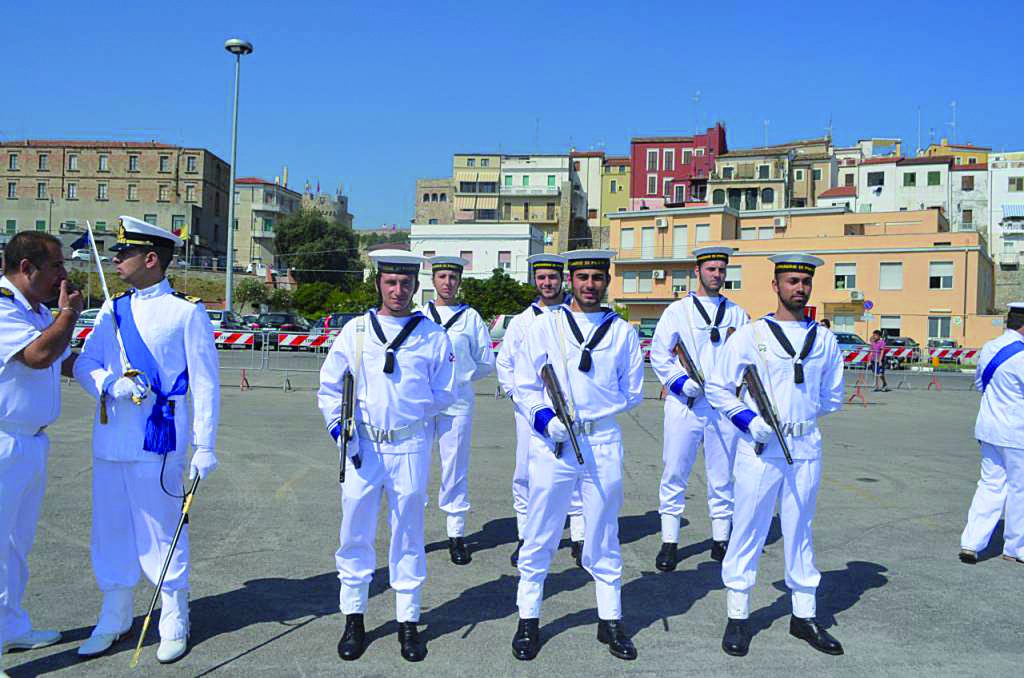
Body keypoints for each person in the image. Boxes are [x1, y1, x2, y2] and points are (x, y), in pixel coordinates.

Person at [73, 217, 220, 664]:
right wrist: (109, 383)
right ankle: (115, 613)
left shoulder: (185, 311)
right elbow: (84, 363)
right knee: (111, 530)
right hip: (111, 438)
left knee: (161, 531)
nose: (116, 259)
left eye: (125, 252)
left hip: (158, 440)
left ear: (151, 258)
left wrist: (205, 444)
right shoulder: (111, 309)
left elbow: (205, 383)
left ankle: (174, 614)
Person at [318, 252, 456, 663]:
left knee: (408, 534)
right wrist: (340, 430)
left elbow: (445, 392)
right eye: (391, 282)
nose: (398, 291)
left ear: (416, 286)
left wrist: (410, 411)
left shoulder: (432, 335)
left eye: (406, 283)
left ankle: (408, 621)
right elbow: (330, 388)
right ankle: (354, 617)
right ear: (378, 283)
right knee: (354, 532)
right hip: (363, 447)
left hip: (409, 446)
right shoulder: (356, 331)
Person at [705, 253, 845, 658]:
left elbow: (831, 397)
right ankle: (738, 614)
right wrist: (749, 420)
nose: (799, 288)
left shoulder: (825, 340)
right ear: (775, 286)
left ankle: (804, 614)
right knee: (748, 528)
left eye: (805, 282)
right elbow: (718, 388)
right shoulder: (751, 335)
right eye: (791, 281)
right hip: (760, 448)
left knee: (801, 529)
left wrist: (798, 419)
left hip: (804, 446)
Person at [510, 250, 644, 661]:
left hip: (601, 441)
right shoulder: (545, 326)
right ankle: (528, 619)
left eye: (597, 277)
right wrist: (544, 418)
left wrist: (593, 410)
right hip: (554, 443)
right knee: (541, 532)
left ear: (607, 281)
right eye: (582, 277)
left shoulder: (621, 333)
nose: (589, 284)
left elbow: (632, 392)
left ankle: (610, 618)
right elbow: (524, 384)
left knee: (603, 532)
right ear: (571, 280)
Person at [0, 232, 82, 673]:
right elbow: (37, 355)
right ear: (26, 267)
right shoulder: (3, 307)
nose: (63, 274)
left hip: (30, 441)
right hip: (4, 439)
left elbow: (62, 358)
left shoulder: (38, 311)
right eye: (56, 266)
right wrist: (69, 314)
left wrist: (108, 374)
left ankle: (10, 627)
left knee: (17, 544)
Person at [650, 246, 749, 571]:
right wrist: (679, 382)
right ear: (698, 271)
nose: (717, 275)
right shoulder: (677, 311)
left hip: (722, 406)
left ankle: (721, 539)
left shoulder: (737, 313)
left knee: (722, 474)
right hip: (686, 405)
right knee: (674, 472)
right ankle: (669, 541)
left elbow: (747, 358)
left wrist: (735, 390)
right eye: (711, 269)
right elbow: (660, 354)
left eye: (721, 269)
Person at [495, 254, 586, 568]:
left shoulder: (577, 315)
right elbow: (506, 364)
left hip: (572, 408)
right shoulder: (522, 321)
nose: (547, 283)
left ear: (563, 279)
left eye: (552, 277)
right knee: (525, 474)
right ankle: (526, 535)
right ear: (534, 280)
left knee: (577, 470)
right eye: (541, 277)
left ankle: (579, 536)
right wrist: (521, 400)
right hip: (532, 411)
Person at [420, 255, 495, 565]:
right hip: (423, 403)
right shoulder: (419, 315)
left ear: (459, 281)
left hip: (458, 402)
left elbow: (486, 361)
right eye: (442, 277)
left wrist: (459, 379)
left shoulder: (471, 318)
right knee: (416, 466)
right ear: (433, 280)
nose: (447, 283)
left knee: (455, 468)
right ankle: (412, 531)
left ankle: (456, 533)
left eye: (453, 277)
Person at [958, 302, 1024, 565]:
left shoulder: (989, 347)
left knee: (989, 484)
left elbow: (979, 384)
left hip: (988, 427)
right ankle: (1016, 547)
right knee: (1019, 489)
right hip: (1017, 432)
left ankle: (971, 542)